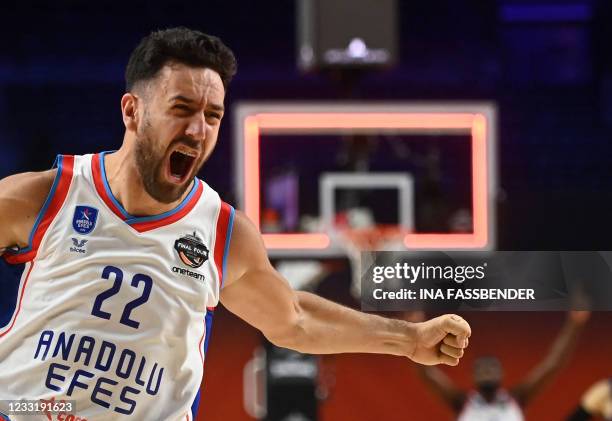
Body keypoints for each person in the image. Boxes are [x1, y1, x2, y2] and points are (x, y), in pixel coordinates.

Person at [0, 27, 471, 420]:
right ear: (132, 111)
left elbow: (295, 319)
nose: (198, 130)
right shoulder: (48, 194)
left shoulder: (221, 231)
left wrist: (408, 339)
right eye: (181, 109)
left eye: (213, 115)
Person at [415, 311, 589, 421]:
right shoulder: (460, 402)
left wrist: (574, 325)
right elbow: (426, 372)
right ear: (472, 376)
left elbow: (553, 364)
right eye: (482, 369)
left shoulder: (517, 398)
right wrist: (417, 333)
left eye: (492, 367)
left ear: (502, 374)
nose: (487, 371)